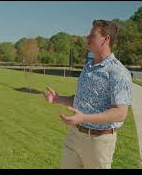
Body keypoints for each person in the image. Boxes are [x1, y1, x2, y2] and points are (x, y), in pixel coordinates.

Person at [44, 20, 131, 169]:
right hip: (75, 136)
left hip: (99, 142)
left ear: (106, 39)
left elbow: (120, 113)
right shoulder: (88, 67)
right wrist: (58, 99)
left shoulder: (118, 72)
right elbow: (81, 100)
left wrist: (84, 117)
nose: (87, 38)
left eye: (92, 35)